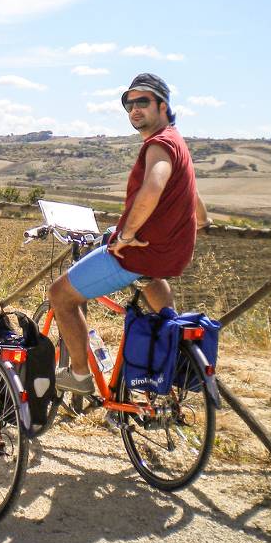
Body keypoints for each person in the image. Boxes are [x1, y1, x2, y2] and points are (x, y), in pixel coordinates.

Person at [50, 73, 208, 394]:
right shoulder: (176, 141)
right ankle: (169, 334)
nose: (134, 109)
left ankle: (80, 375)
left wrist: (127, 234)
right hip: (165, 253)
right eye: (129, 103)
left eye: (143, 101)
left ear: (163, 105)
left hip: (137, 253)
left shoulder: (159, 144)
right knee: (111, 235)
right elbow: (196, 204)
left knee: (60, 295)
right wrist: (198, 222)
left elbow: (154, 185)